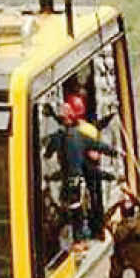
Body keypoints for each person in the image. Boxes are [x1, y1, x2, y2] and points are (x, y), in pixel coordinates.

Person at [42, 100, 116, 244]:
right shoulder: (83, 132)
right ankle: (91, 232)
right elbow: (97, 145)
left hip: (78, 174)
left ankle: (82, 236)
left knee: (78, 206)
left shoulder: (69, 135)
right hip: (82, 172)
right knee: (86, 203)